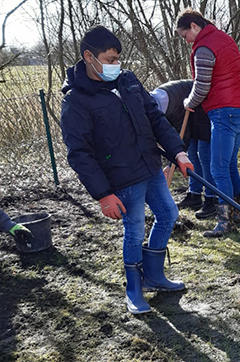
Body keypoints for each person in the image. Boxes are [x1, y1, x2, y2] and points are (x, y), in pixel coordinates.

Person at [60, 25, 194, 314]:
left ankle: (155, 276)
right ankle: (134, 289)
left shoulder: (128, 81)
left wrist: (178, 152)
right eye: (109, 60)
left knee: (169, 213)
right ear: (89, 57)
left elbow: (155, 118)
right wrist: (103, 195)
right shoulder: (76, 100)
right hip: (121, 175)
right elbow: (79, 153)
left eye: (117, 59)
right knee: (134, 230)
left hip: (150, 165)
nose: (115, 65)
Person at [175, 9, 240, 238]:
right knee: (228, 164)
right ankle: (236, 212)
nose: (186, 40)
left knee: (218, 167)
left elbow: (201, 86)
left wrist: (189, 102)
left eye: (184, 35)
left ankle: (225, 221)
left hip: (224, 112)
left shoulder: (204, 48)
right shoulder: (224, 39)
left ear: (194, 27)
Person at [149, 79, 217, 219]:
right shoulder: (153, 102)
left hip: (204, 108)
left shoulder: (171, 106)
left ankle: (212, 200)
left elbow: (181, 137)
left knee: (205, 155)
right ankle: (194, 196)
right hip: (190, 110)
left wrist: (171, 164)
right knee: (191, 154)